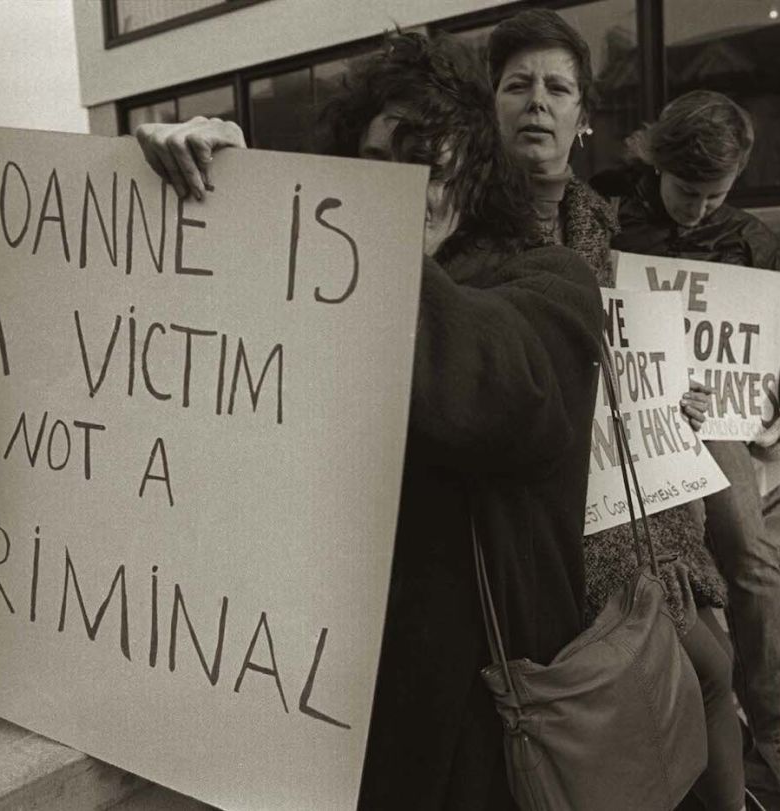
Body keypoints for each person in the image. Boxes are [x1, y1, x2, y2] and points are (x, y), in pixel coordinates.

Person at [136, 32, 604, 810]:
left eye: (427, 159)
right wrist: (193, 193)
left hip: (483, 727)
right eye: (376, 166)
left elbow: (487, 387)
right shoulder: (313, 291)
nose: (399, 189)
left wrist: (286, 221)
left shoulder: (552, 284)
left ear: (477, 172)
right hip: (332, 701)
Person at [488, 11, 747, 811]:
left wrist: (679, 400)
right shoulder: (461, 226)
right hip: (552, 539)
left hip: (643, 522)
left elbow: (631, 370)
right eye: (517, 84)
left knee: (713, 668)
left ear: (582, 117)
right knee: (657, 695)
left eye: (557, 86)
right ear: (490, 107)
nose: (537, 101)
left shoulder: (603, 225)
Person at [591, 89, 780, 811]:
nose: (699, 209)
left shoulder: (751, 239)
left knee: (749, 553)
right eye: (687, 191)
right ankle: (684, 703)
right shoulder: (608, 215)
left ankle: (779, 725)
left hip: (713, 422)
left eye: (716, 195)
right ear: (656, 164)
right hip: (623, 415)